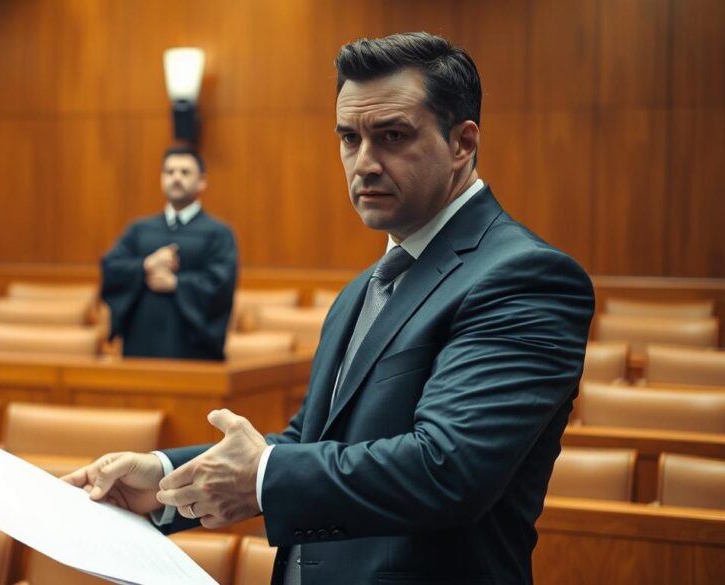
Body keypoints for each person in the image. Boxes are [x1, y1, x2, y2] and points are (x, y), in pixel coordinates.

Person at [68, 33, 594, 585]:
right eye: (349, 138)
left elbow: (447, 468)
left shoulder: (524, 276)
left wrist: (262, 477)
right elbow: (310, 445)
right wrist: (163, 481)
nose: (364, 163)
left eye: (392, 136)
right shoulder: (364, 288)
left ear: (462, 143)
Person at [100, 146, 238, 361]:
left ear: (202, 181)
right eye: (169, 172)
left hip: (192, 350)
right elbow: (111, 268)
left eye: (185, 172)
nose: (176, 178)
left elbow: (221, 284)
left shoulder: (218, 233)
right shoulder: (139, 229)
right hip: (140, 344)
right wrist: (146, 265)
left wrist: (176, 283)